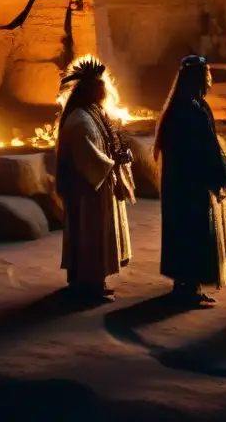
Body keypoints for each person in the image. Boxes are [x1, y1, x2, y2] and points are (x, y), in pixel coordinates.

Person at [155, 56, 226, 305]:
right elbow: (207, 149)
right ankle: (188, 290)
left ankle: (187, 286)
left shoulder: (183, 106)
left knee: (183, 234)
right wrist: (224, 173)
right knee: (192, 235)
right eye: (207, 73)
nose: (211, 78)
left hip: (180, 184)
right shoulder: (192, 109)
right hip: (190, 186)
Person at [55, 57, 134, 303]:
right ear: (88, 90)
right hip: (88, 192)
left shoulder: (94, 113)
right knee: (89, 236)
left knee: (97, 237)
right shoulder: (79, 119)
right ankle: (87, 287)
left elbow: (107, 145)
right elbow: (89, 157)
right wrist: (113, 163)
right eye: (98, 86)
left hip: (98, 187)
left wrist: (120, 156)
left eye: (103, 86)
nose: (103, 90)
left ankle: (95, 283)